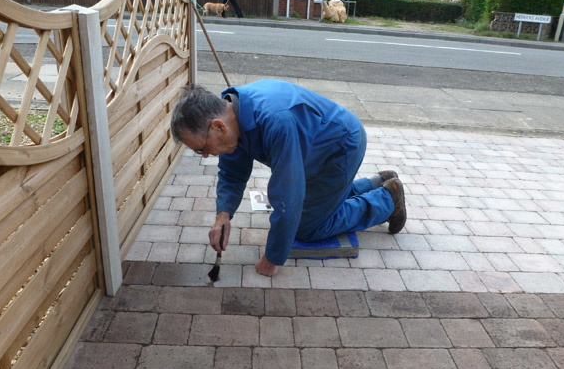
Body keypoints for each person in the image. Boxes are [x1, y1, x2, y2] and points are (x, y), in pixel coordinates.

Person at [170, 79, 406, 277]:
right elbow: (232, 172)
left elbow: (288, 196)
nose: (206, 155)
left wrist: (272, 258)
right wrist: (223, 215)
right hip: (315, 147)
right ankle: (375, 183)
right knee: (314, 204)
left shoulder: (276, 122)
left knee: (307, 227)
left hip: (340, 148)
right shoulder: (233, 112)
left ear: (218, 127)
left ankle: (387, 200)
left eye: (202, 148)